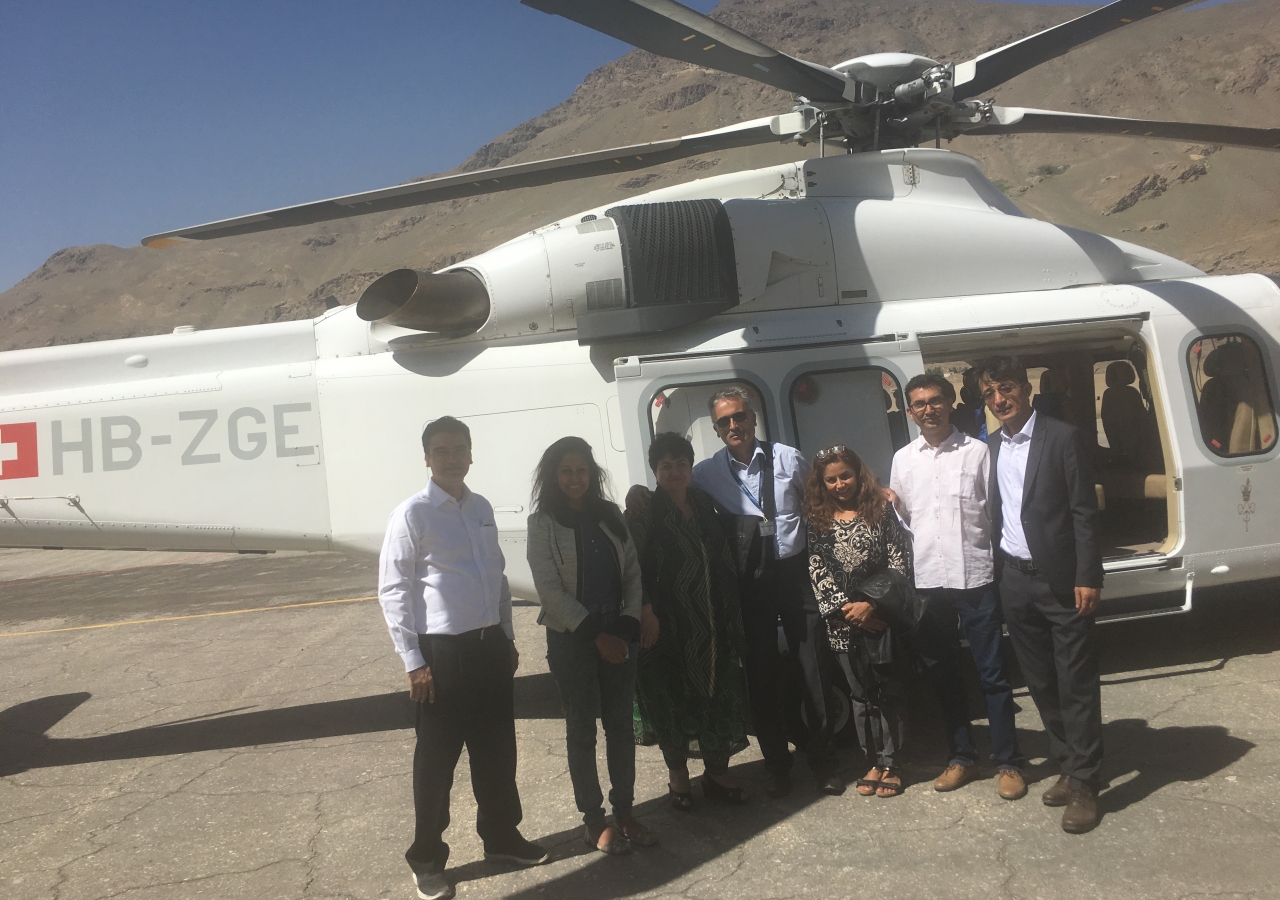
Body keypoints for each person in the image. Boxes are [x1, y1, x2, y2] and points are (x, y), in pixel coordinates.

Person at [378, 416, 546, 900]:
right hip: (442, 653)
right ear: (427, 458)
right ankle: (427, 858)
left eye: (459, 449)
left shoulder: (482, 508)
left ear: (471, 454)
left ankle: (501, 837)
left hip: (489, 646)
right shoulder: (411, 515)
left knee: (497, 751)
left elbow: (495, 576)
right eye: (441, 450)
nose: (451, 457)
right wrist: (413, 660)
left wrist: (508, 636)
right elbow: (394, 590)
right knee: (436, 762)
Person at [691, 387, 844, 797]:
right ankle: (778, 766)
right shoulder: (707, 473)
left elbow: (822, 500)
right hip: (751, 584)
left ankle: (824, 761)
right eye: (725, 421)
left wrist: (874, 495)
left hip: (795, 577)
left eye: (740, 416)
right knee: (760, 680)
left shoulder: (787, 458)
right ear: (716, 428)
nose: (734, 426)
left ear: (753, 418)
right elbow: (677, 496)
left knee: (814, 670)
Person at [976, 356, 1105, 834]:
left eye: (1005, 389)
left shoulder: (1062, 437)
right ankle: (1069, 765)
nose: (998, 400)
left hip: (1061, 580)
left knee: (1075, 681)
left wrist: (1089, 575)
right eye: (989, 394)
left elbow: (1084, 512)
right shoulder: (990, 447)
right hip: (1014, 579)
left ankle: (1087, 783)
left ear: (1025, 389)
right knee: (1040, 682)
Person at [889, 373, 1027, 801]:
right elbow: (904, 519)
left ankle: (1009, 762)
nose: (927, 409)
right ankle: (961, 757)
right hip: (929, 584)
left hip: (976, 578)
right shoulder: (903, 459)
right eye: (918, 404)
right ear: (909, 412)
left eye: (934, 401)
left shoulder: (980, 453)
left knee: (993, 675)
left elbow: (994, 513)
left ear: (950, 403)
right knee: (945, 675)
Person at [525, 436, 656, 855]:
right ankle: (593, 820)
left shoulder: (610, 515)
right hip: (573, 641)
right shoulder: (542, 522)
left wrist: (625, 624)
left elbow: (633, 572)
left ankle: (625, 812)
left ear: (592, 473)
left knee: (620, 727)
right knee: (581, 731)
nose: (575, 478)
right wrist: (596, 635)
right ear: (553, 476)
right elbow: (549, 591)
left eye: (582, 470)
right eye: (566, 471)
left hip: (618, 634)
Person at [627, 432, 752, 811]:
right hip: (668, 627)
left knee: (718, 695)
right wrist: (645, 610)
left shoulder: (703, 502)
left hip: (714, 623)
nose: (676, 472)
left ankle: (715, 772)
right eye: (666, 466)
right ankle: (678, 776)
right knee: (672, 699)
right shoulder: (645, 510)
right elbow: (631, 566)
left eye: (682, 464)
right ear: (655, 471)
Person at [807, 446, 914, 797]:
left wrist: (870, 606)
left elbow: (900, 562)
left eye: (845, 475)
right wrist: (845, 610)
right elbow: (817, 571)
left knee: (889, 691)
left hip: (881, 620)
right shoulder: (817, 520)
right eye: (831, 479)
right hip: (843, 625)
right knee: (859, 694)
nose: (840, 484)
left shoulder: (881, 510)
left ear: (858, 473)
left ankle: (893, 763)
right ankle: (872, 761)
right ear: (822, 484)